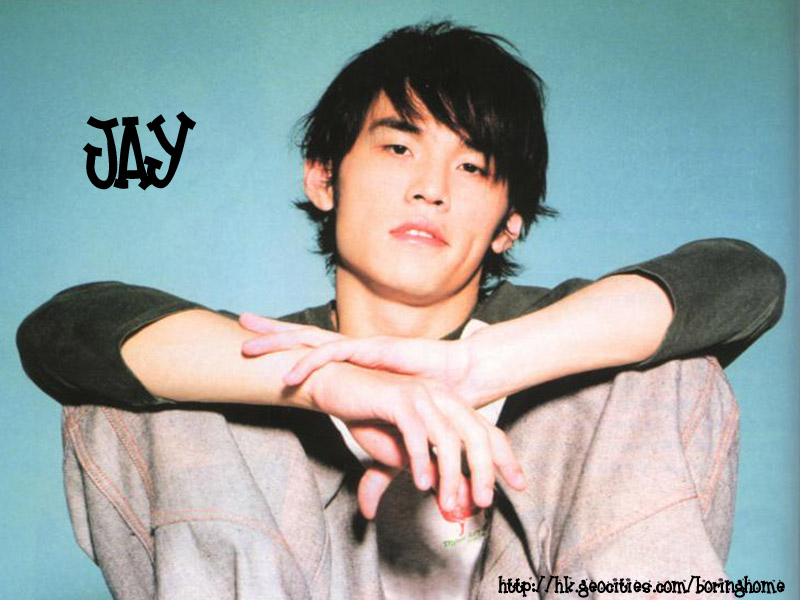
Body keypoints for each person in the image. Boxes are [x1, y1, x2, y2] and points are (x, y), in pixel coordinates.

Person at [17, 22, 785, 600]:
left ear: (509, 223)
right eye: (398, 149)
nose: (431, 188)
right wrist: (328, 384)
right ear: (324, 178)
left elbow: (742, 280)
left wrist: (480, 366)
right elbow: (65, 330)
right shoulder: (284, 362)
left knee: (651, 370)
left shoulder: (543, 332)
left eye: (473, 166)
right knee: (160, 400)